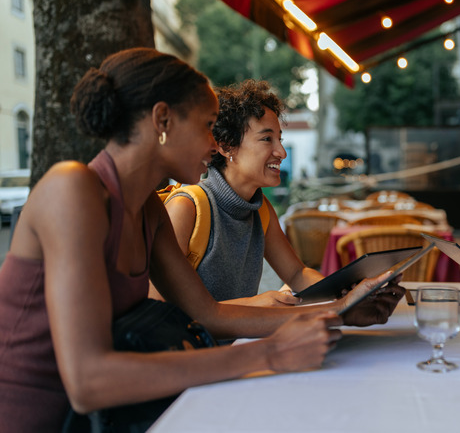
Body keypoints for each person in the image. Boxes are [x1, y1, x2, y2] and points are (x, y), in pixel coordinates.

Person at [0, 48, 402, 432]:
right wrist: (269, 353)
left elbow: (209, 314)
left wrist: (341, 311)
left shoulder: (148, 210)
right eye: (208, 125)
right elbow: (88, 382)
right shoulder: (72, 190)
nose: (215, 144)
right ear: (163, 121)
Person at [155, 79, 323, 307]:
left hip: (241, 340)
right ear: (225, 147)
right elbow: (156, 307)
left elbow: (296, 274)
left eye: (279, 139)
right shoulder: (186, 208)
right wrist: (253, 306)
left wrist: (347, 292)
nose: (281, 152)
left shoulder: (261, 209)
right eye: (267, 139)